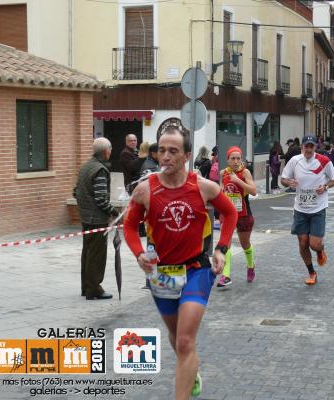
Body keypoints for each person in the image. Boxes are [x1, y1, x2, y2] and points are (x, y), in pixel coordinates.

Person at [123, 126, 238, 399]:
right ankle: (192, 370)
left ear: (186, 155)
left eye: (173, 151)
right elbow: (128, 226)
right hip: (161, 275)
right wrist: (139, 253)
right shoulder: (145, 190)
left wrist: (221, 249)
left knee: (185, 340)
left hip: (196, 270)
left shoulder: (203, 187)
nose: (165, 156)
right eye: (162, 150)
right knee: (177, 340)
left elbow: (230, 213)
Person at [281, 134, 334, 285]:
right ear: (302, 147)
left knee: (314, 244)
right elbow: (283, 179)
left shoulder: (323, 160)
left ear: (315, 147)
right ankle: (312, 272)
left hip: (318, 208)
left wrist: (326, 186)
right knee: (303, 243)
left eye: (311, 146)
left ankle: (320, 250)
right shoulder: (295, 161)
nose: (308, 149)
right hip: (300, 209)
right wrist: (290, 182)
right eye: (306, 146)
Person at [73, 138, 119, 300]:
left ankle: (86, 287)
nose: (111, 152)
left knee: (88, 252)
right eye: (110, 149)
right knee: (97, 256)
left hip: (85, 217)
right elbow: (101, 199)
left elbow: (75, 191)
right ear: (106, 151)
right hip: (96, 219)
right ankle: (94, 289)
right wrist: (114, 212)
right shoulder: (100, 170)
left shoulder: (86, 167)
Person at [217, 146, 258, 287]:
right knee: (225, 244)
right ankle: (226, 275)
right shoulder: (223, 173)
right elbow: (220, 191)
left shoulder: (245, 172)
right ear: (227, 160)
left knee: (244, 244)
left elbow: (253, 191)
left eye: (238, 158)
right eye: (232, 158)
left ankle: (250, 265)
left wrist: (238, 181)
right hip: (228, 214)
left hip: (243, 214)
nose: (235, 161)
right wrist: (220, 192)